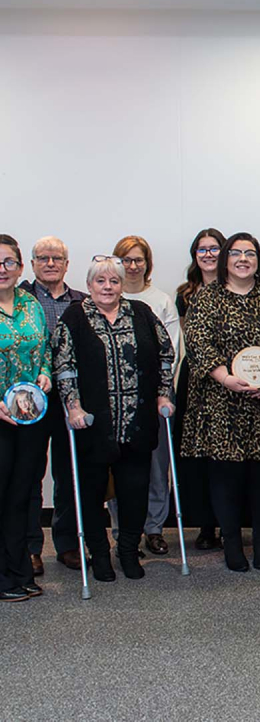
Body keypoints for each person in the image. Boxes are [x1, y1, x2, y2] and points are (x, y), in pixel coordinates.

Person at [54, 255, 175, 582]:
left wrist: (164, 394)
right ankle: (98, 552)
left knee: (134, 489)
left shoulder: (141, 313)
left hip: (137, 420)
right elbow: (63, 366)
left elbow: (166, 355)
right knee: (92, 493)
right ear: (90, 284)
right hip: (93, 424)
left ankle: (127, 550)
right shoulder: (75, 316)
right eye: (100, 281)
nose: (107, 287)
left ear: (122, 284)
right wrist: (73, 406)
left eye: (114, 281)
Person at [181, 233, 260, 572]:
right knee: (226, 476)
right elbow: (197, 340)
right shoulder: (208, 297)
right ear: (226, 259)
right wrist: (226, 378)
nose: (243, 259)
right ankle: (231, 541)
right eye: (236, 253)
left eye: (251, 253)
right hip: (221, 401)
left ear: (259, 259)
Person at [111, 235, 181, 558]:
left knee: (156, 466)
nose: (133, 266)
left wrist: (162, 391)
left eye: (139, 259)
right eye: (126, 260)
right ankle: (124, 530)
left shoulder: (161, 300)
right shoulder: (108, 297)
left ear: (147, 263)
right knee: (120, 467)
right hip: (117, 402)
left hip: (155, 398)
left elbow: (172, 350)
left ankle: (154, 528)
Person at [19, 236, 85, 574]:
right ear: (31, 264)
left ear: (66, 264)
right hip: (29, 399)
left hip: (71, 401)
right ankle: (30, 547)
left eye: (56, 257)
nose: (49, 263)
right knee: (30, 475)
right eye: (42, 258)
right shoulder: (19, 301)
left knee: (69, 474)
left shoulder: (82, 303)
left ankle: (68, 544)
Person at [0, 235, 51, 602]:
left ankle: (18, 571)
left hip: (30, 417)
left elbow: (44, 348)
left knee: (21, 496)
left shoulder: (30, 303)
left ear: (20, 267)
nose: (2, 270)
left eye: (8, 262)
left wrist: (46, 372)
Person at [175, 228, 226, 551]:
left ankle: (228, 521)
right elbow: (191, 340)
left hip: (230, 377)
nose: (208, 255)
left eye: (214, 248)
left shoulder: (233, 287)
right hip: (195, 380)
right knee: (201, 454)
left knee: (227, 456)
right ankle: (207, 524)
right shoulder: (186, 293)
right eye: (202, 250)